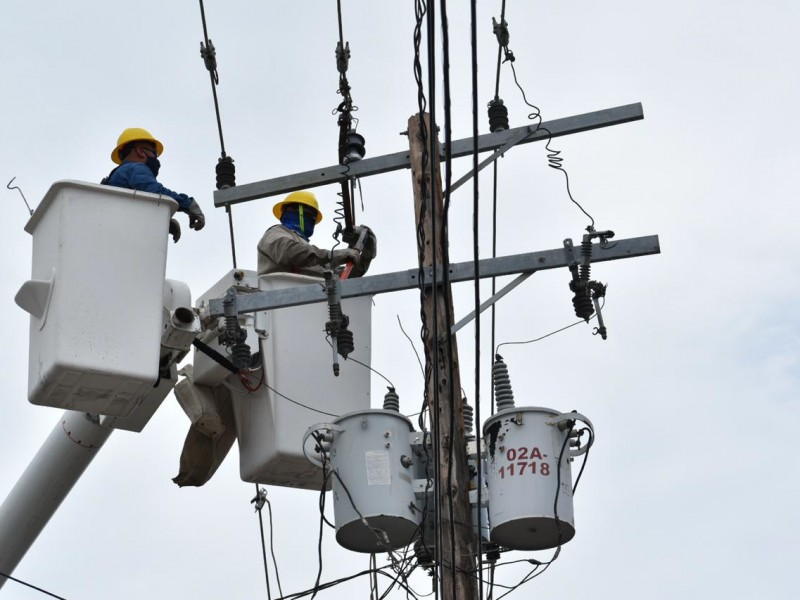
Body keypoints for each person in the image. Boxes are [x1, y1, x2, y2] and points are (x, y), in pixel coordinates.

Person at [103, 127, 206, 242]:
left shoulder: (119, 175)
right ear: (140, 151)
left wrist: (163, 219)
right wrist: (188, 204)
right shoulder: (135, 168)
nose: (155, 158)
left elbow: (132, 209)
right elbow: (155, 192)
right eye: (154, 153)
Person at [257, 190, 377, 277]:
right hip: (283, 301)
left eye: (314, 217)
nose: (312, 220)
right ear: (294, 211)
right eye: (309, 214)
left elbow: (346, 276)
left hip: (313, 303)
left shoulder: (314, 259)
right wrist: (334, 255)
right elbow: (290, 252)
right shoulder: (275, 233)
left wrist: (366, 251)